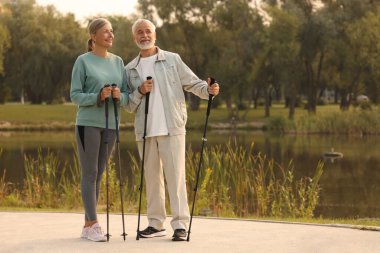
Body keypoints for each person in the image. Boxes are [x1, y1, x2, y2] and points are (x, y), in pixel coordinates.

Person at [124, 18, 220, 241]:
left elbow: (193, 83)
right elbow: (128, 104)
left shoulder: (172, 60)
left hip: (172, 128)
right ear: (134, 37)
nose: (144, 35)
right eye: (139, 32)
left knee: (175, 178)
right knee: (152, 178)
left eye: (148, 31)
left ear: (155, 35)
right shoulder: (130, 69)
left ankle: (180, 224)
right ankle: (155, 224)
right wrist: (139, 91)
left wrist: (208, 90)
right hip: (145, 132)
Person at [70, 18, 128, 242]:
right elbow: (75, 95)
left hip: (111, 124)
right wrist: (97, 96)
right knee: (90, 173)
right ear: (93, 36)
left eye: (112, 32)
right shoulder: (82, 61)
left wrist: (117, 95)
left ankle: (88, 225)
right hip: (88, 123)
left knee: (100, 174)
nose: (111, 35)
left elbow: (126, 94)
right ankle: (93, 224)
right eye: (106, 32)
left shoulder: (118, 62)